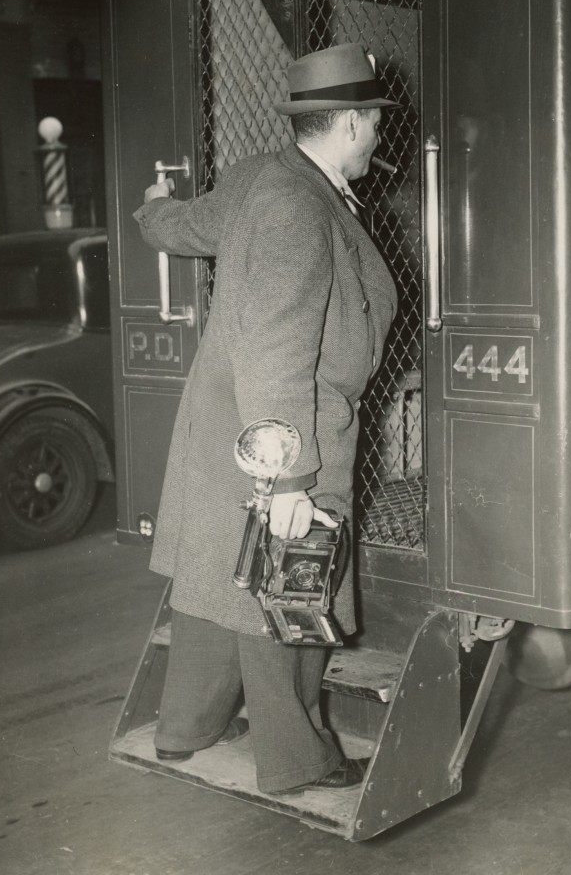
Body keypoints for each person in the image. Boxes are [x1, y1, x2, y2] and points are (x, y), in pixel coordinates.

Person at [133, 42, 398, 796]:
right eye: (374, 122)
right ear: (349, 122)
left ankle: (187, 728)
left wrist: (154, 206)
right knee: (291, 590)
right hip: (289, 430)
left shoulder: (259, 178)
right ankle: (299, 759)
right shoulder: (297, 207)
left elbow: (181, 230)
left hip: (227, 424)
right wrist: (289, 479)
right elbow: (280, 346)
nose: (378, 136)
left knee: (218, 575)